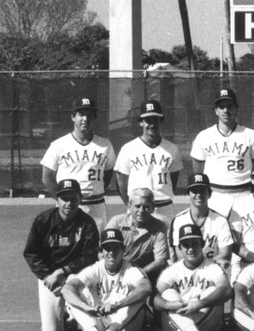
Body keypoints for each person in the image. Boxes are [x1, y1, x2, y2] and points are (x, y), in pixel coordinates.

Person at [23, 179, 99, 331]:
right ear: (57, 200)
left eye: (73, 199)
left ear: (80, 199)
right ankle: (65, 317)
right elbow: (31, 253)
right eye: (65, 199)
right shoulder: (43, 221)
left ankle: (78, 315)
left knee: (95, 325)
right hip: (49, 277)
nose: (69, 203)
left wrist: (63, 271)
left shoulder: (87, 223)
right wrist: (47, 277)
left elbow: (90, 255)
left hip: (76, 275)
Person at [60, 227, 152, 331]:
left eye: (116, 248)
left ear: (123, 250)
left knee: (138, 301)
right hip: (99, 321)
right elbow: (67, 289)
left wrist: (117, 305)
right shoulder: (96, 268)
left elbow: (146, 288)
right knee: (72, 300)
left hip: (123, 324)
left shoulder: (131, 269)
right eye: (107, 248)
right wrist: (86, 308)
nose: (111, 252)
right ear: (101, 251)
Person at [150, 223, 232, 331]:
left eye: (195, 244)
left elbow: (226, 290)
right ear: (179, 248)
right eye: (186, 245)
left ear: (202, 244)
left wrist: (199, 304)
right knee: (168, 293)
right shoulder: (172, 270)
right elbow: (154, 299)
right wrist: (169, 304)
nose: (191, 249)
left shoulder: (213, 268)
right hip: (180, 326)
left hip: (206, 329)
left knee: (212, 292)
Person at [190, 87, 254, 216]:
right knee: (214, 234)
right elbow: (197, 169)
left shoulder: (250, 134)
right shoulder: (204, 136)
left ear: (236, 109)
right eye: (222, 107)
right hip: (215, 195)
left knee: (245, 234)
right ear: (216, 110)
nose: (226, 110)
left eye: (230, 106)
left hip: (244, 194)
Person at [41, 97, 116, 230]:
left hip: (96, 205)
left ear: (94, 118)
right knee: (67, 246)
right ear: (73, 117)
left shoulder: (105, 145)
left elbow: (108, 173)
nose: (85, 119)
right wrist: (62, 200)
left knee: (97, 246)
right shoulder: (59, 145)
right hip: (68, 206)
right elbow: (47, 178)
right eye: (81, 114)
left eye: (89, 115)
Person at [114, 99, 183, 223]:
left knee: (167, 241)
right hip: (139, 209)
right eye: (148, 120)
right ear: (141, 122)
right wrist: (131, 204)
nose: (152, 124)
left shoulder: (172, 149)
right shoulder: (128, 149)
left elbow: (173, 180)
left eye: (155, 120)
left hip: (164, 206)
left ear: (161, 121)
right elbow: (121, 183)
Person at [169, 173, 234, 271]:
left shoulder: (220, 220)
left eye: (203, 191)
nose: (199, 195)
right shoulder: (179, 220)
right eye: (194, 191)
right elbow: (180, 255)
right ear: (188, 194)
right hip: (188, 272)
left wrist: (204, 267)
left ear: (209, 194)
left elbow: (225, 255)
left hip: (214, 272)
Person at [105, 188, 169, 284]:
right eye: (137, 206)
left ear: (153, 208)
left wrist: (137, 275)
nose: (141, 210)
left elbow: (160, 261)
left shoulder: (159, 227)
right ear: (129, 206)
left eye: (146, 206)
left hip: (145, 274)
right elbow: (103, 252)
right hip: (115, 271)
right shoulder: (116, 223)